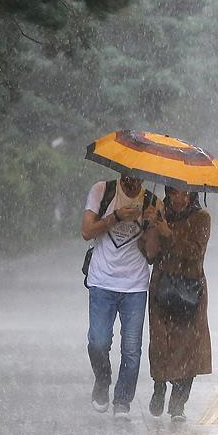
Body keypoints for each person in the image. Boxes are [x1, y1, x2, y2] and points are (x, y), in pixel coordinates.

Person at [81, 174, 161, 418]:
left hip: (134, 285)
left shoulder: (152, 201)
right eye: (129, 177)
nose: (134, 183)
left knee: (131, 348)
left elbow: (152, 255)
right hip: (102, 281)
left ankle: (123, 400)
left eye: (139, 179)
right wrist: (115, 217)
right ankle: (102, 380)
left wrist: (151, 225)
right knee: (98, 341)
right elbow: (86, 231)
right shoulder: (102, 190)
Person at [142, 186, 212, 421]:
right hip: (162, 287)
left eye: (185, 193)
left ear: (192, 195)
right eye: (174, 193)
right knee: (161, 341)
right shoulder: (159, 212)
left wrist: (168, 232)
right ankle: (159, 387)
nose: (179, 198)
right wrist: (150, 227)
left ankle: (178, 403)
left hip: (190, 289)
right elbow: (149, 254)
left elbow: (194, 251)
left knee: (188, 348)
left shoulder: (202, 218)